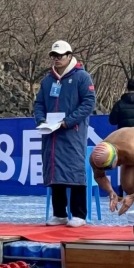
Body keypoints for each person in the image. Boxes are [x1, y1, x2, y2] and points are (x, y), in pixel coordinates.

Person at [33, 41, 96, 228]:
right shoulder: (47, 81)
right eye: (54, 56)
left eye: (60, 55)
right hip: (50, 133)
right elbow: (39, 104)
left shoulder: (82, 77)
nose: (57, 59)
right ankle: (59, 213)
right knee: (55, 170)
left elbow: (88, 103)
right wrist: (40, 121)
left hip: (71, 132)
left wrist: (67, 121)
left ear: (69, 55)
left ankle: (78, 214)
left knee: (75, 170)